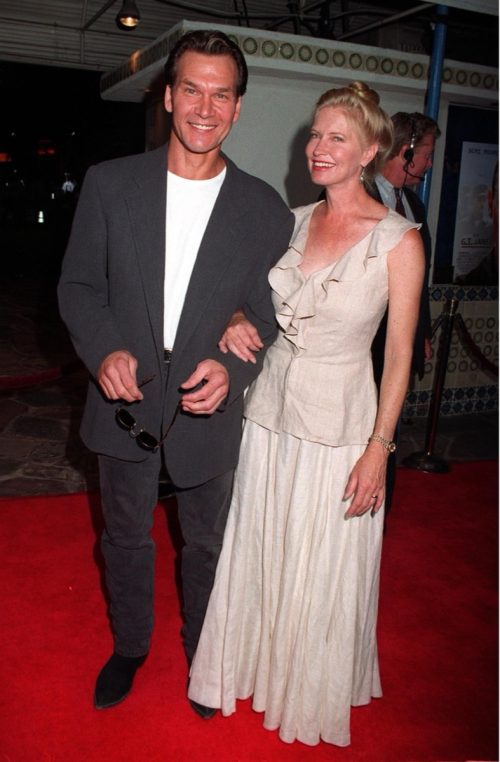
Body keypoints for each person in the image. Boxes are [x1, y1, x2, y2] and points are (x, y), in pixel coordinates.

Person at [57, 29, 294, 713]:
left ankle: (204, 652)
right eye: (192, 89)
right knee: (125, 536)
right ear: (168, 96)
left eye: (221, 95)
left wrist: (232, 370)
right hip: (125, 400)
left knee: (208, 544)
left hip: (206, 409)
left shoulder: (264, 210)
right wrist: (105, 349)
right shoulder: (110, 185)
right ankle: (131, 645)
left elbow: (266, 315)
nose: (204, 108)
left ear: (238, 107)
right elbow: (78, 287)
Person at [188, 81, 425, 746]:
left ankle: (306, 684)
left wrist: (379, 448)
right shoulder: (288, 222)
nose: (319, 147)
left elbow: (400, 355)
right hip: (266, 415)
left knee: (320, 565)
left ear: (369, 151)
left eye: (337, 138)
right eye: (315, 134)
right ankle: (253, 665)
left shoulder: (398, 241)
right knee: (260, 547)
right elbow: (239, 297)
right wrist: (234, 317)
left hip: (341, 426)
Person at [369, 111, 440, 514]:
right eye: (426, 154)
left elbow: (420, 281)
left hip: (400, 339)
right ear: (405, 151)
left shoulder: (414, 205)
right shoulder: (359, 194)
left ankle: (380, 512)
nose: (428, 164)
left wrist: (421, 332)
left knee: (388, 428)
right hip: (366, 340)